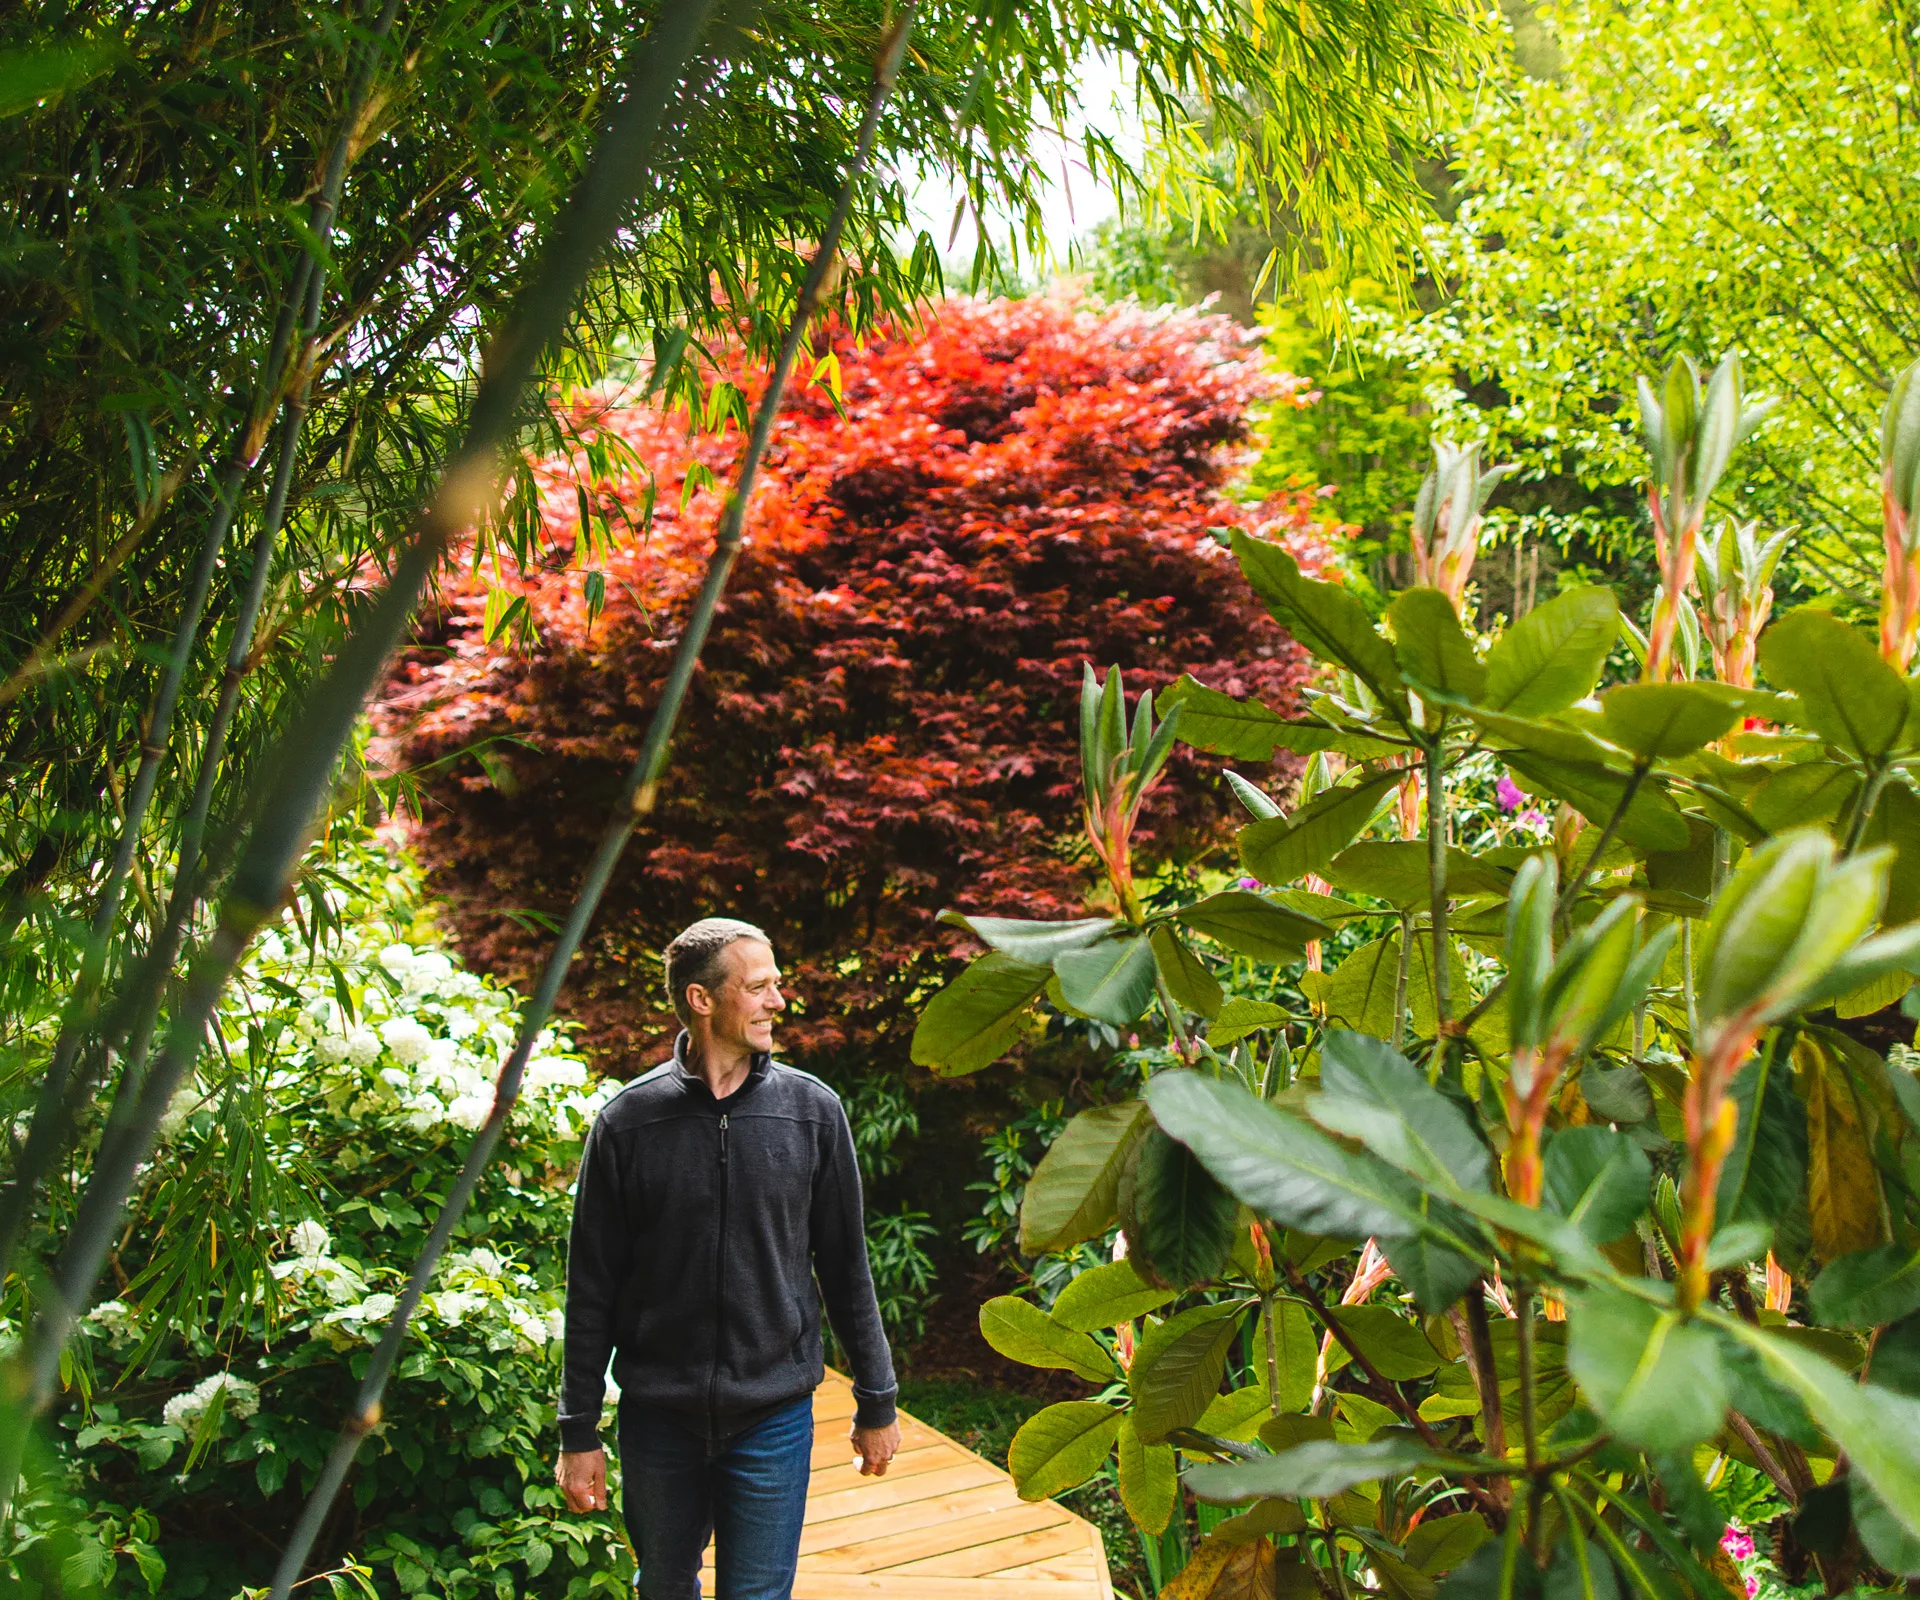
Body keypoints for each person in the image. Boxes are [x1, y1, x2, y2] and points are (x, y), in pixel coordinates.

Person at [554, 917, 901, 1600]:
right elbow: (591, 1288)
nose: (778, 1001)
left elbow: (845, 1268)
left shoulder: (812, 1112)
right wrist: (578, 1432)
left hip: (772, 1417)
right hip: (659, 1417)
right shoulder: (629, 1122)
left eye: (776, 984)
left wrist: (877, 1400)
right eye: (759, 987)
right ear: (702, 999)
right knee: (663, 1586)